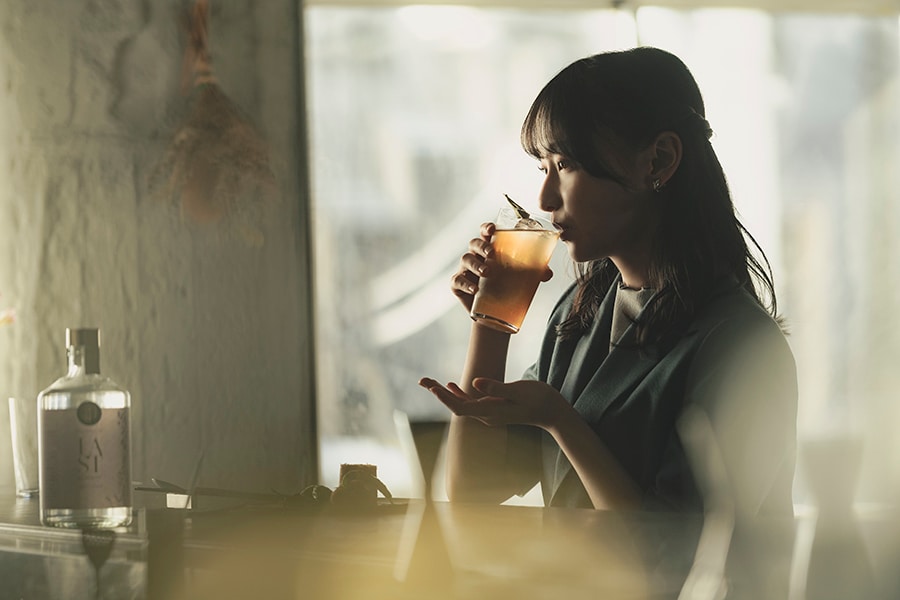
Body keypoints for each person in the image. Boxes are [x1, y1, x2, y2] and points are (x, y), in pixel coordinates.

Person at [418, 47, 797, 515]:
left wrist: (559, 420)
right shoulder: (581, 313)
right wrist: (491, 320)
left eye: (565, 165)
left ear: (658, 161)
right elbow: (473, 491)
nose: (545, 197)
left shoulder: (741, 344)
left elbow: (678, 555)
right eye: (543, 167)